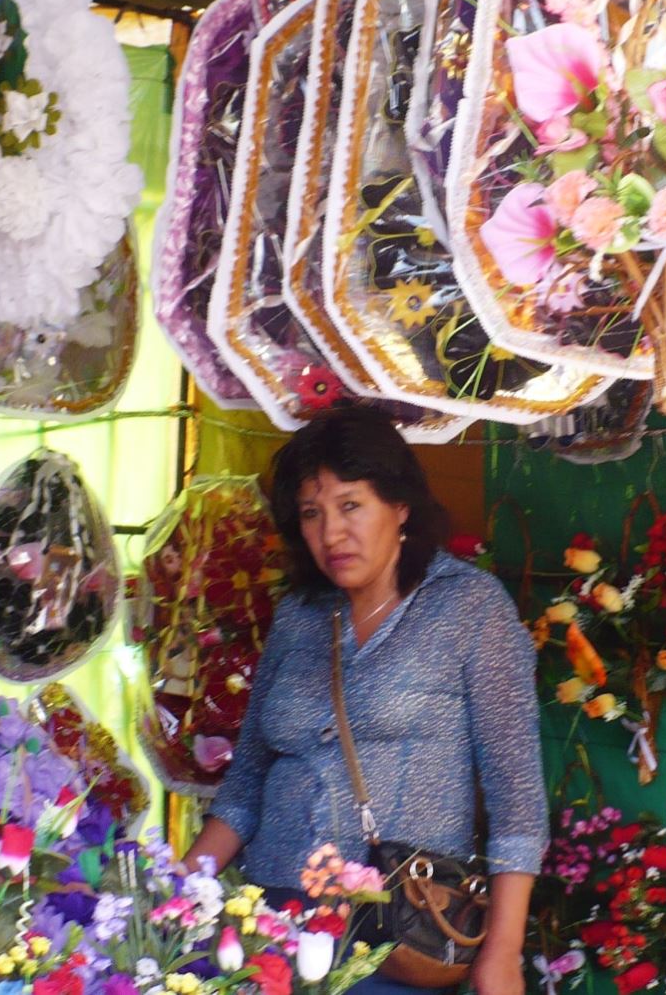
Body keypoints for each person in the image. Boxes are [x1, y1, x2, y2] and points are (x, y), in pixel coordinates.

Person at [185, 406, 544, 995]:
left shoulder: (471, 609)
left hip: (395, 933)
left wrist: (502, 951)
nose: (331, 533)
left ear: (400, 506)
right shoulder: (299, 616)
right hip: (269, 924)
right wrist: (176, 892)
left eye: (351, 505)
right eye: (311, 513)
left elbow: (517, 801)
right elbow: (244, 787)